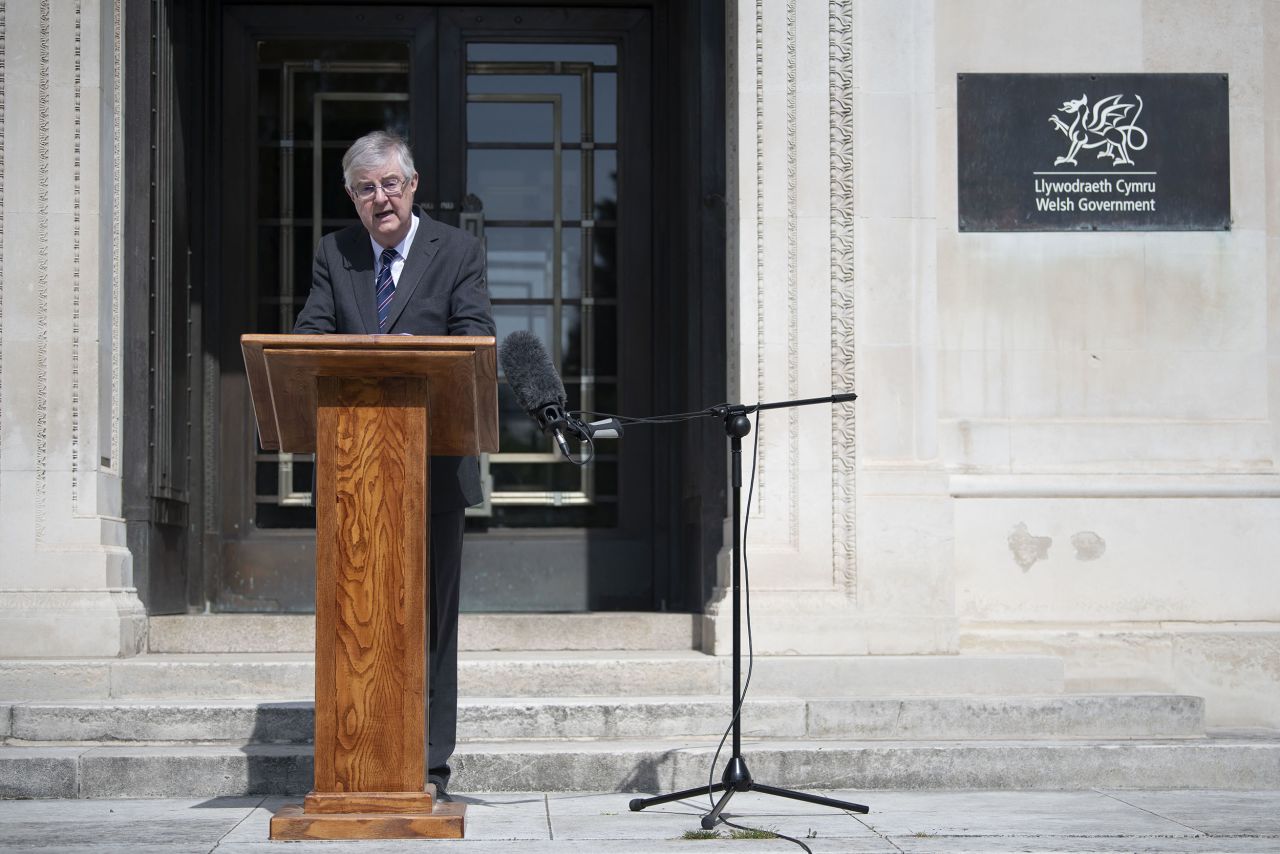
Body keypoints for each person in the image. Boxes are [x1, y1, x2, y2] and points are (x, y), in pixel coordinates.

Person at [294, 129, 494, 800]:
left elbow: (473, 340)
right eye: (364, 189)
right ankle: (354, 760)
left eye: (390, 184)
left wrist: (418, 353)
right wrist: (360, 351)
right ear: (351, 198)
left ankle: (429, 767)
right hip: (354, 474)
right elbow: (309, 337)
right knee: (356, 617)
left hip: (431, 468)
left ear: (413, 187)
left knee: (428, 624)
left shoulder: (458, 250)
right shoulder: (335, 254)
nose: (380, 199)